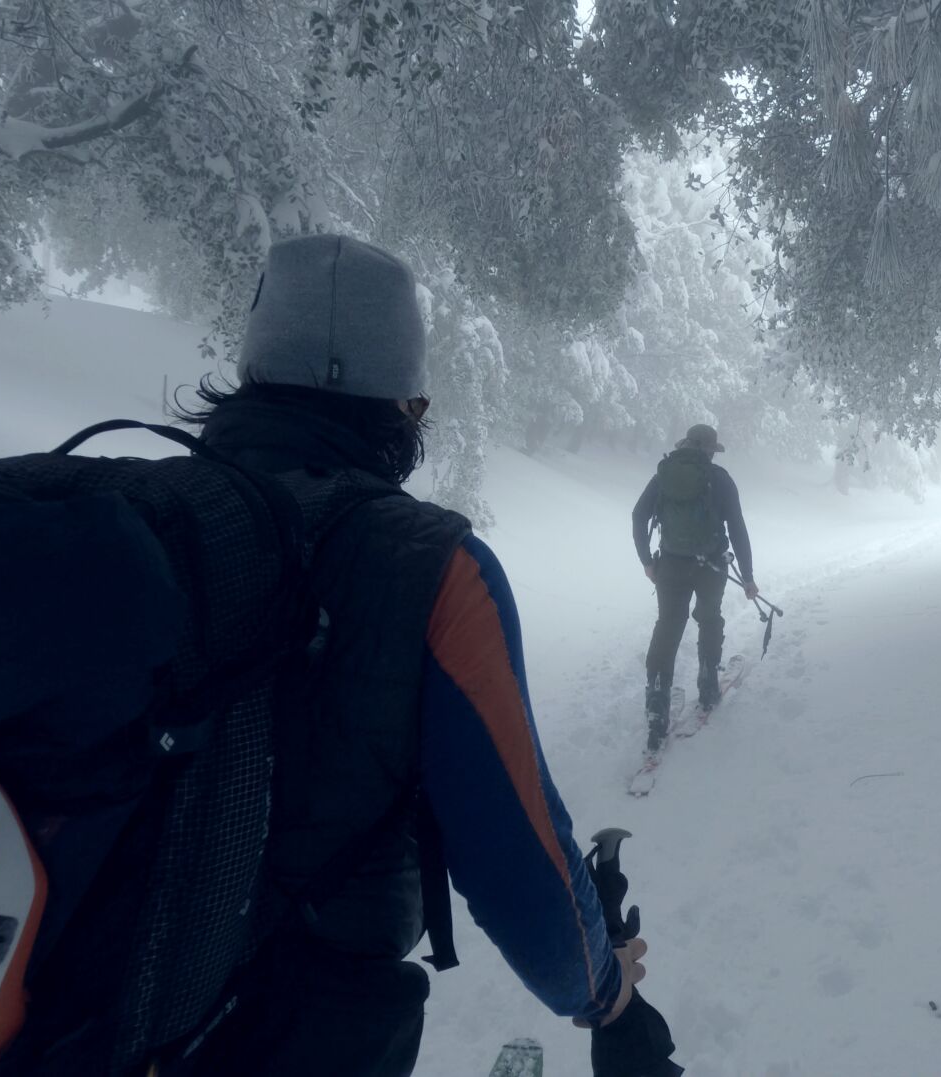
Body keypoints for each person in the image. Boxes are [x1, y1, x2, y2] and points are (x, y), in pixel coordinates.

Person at [176, 235, 656, 1074]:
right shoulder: (431, 568)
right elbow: (518, 851)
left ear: (251, 376)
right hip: (303, 1034)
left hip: (83, 1012)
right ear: (400, 404)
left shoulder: (144, 525)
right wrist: (604, 989)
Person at [631, 423, 756, 751]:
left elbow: (637, 516)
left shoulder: (664, 475)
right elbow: (738, 529)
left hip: (670, 565)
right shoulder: (720, 480)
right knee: (709, 617)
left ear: (686, 445)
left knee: (668, 628)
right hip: (710, 566)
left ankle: (657, 707)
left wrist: (647, 561)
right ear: (710, 451)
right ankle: (708, 684)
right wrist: (748, 576)